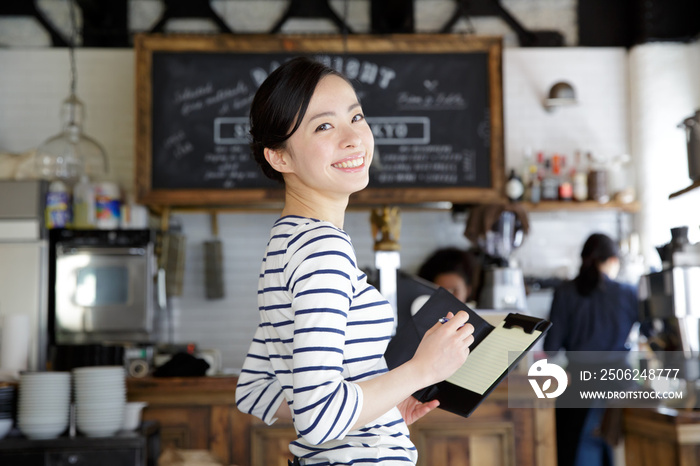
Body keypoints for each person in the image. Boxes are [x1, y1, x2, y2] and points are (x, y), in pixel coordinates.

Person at [234, 57, 475, 466]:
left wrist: (374, 414)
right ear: (279, 157)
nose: (353, 138)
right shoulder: (322, 250)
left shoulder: (285, 242)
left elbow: (254, 390)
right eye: (324, 126)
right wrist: (421, 371)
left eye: (356, 116)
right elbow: (318, 418)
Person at [543, 233, 639, 466]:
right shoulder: (629, 293)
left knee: (574, 452)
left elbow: (551, 348)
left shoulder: (564, 292)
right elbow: (651, 332)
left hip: (577, 385)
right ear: (613, 260)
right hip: (621, 385)